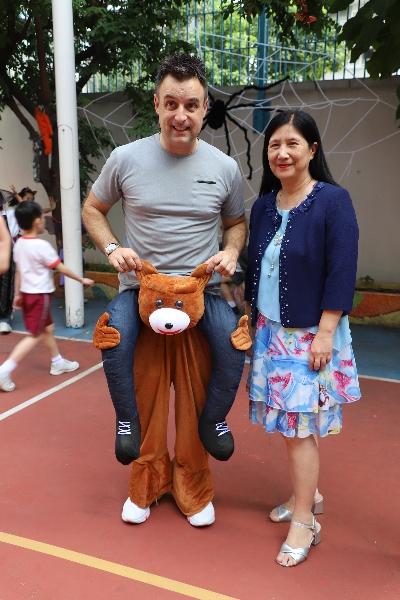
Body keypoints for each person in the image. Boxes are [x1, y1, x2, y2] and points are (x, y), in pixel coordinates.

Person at [82, 53, 247, 525]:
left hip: (201, 301)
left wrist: (231, 251)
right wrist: (112, 248)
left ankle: (193, 487)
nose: (181, 115)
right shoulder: (125, 159)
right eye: (171, 103)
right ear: (156, 104)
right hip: (142, 298)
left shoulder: (225, 168)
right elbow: (93, 209)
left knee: (196, 400)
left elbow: (235, 223)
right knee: (145, 398)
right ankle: (146, 483)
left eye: (191, 105)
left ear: (204, 108)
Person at [245, 110, 361, 567]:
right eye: (275, 144)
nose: (282, 153)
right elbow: (257, 269)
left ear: (312, 150)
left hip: (309, 335)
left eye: (292, 143)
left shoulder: (333, 201)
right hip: (270, 332)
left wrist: (325, 335)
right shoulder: (263, 205)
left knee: (299, 430)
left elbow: (342, 270)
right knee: (288, 426)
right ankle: (306, 497)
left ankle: (304, 522)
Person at [0, 201, 94, 393]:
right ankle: (4, 371)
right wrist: (80, 279)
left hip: (28, 295)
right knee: (34, 336)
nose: (44, 220)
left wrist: (17, 294)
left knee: (48, 328)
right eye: (43, 218)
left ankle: (57, 362)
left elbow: (19, 271)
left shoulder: (19, 244)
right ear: (37, 222)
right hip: (39, 297)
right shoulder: (42, 246)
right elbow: (61, 268)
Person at [0, 186, 40, 334]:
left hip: (7, 250)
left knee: (6, 284)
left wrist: (17, 196)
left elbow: (27, 209)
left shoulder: (11, 214)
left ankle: (4, 318)